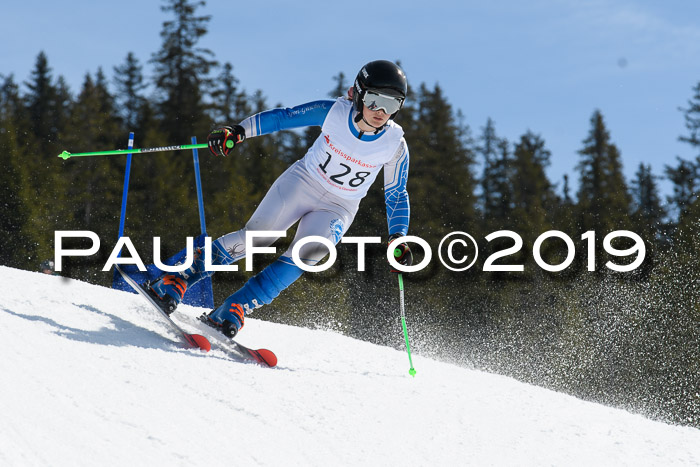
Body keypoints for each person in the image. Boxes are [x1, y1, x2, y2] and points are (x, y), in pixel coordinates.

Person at [145, 60, 414, 338]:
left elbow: (396, 194)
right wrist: (238, 132)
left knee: (308, 254)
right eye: (374, 100)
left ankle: (234, 307)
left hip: (339, 206)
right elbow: (284, 117)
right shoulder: (333, 112)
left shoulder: (395, 144)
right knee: (257, 237)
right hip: (303, 182)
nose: (381, 111)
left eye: (392, 104)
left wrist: (398, 236)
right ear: (357, 94)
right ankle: (176, 278)